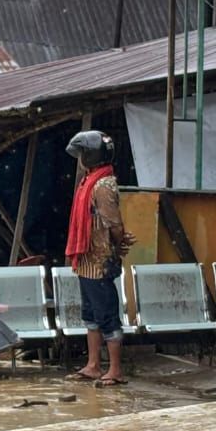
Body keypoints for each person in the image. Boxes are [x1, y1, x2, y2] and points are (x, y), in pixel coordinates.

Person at [65, 131, 135, 387]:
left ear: (91, 155)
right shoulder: (89, 181)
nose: (80, 158)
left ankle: (115, 369)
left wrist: (119, 242)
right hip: (87, 260)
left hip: (100, 259)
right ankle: (93, 365)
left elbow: (113, 223)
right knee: (91, 315)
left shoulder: (103, 185)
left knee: (106, 315)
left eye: (83, 153)